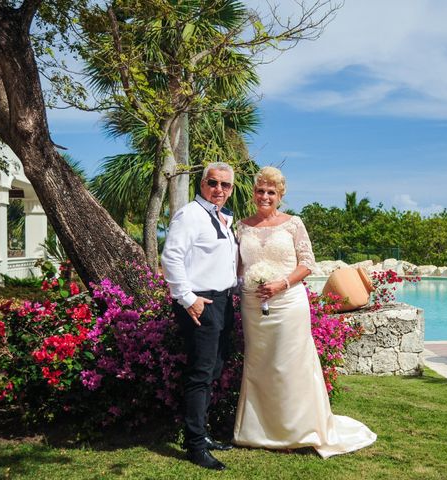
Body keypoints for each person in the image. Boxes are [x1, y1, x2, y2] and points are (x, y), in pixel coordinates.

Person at [233, 166, 376, 458]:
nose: (264, 196)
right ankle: (258, 431)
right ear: (253, 193)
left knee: (290, 365)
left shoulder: (293, 224)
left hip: (288, 303)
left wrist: (281, 284)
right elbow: (237, 267)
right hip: (253, 306)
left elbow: (308, 263)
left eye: (271, 191)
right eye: (260, 190)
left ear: (280, 195)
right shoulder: (242, 226)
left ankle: (299, 429)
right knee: (259, 366)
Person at [161, 162, 238, 470]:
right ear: (202, 183)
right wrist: (187, 298)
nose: (219, 190)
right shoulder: (190, 215)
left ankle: (201, 434)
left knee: (215, 369)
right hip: (201, 303)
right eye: (213, 183)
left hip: (223, 301)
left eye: (225, 185)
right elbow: (171, 256)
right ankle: (194, 445)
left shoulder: (221, 218)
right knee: (201, 374)